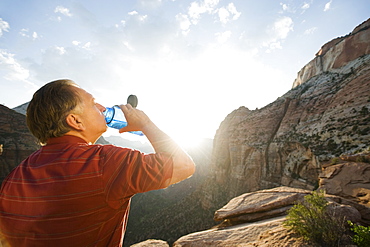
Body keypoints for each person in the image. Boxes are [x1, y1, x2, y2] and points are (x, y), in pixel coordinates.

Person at [0, 79, 195, 246]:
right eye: (93, 103)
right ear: (75, 121)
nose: (102, 107)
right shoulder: (105, 161)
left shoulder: (15, 176)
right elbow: (183, 165)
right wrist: (145, 123)